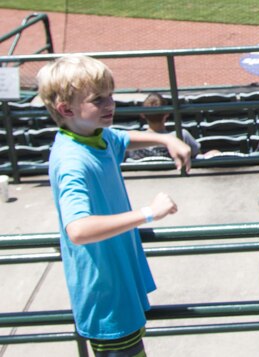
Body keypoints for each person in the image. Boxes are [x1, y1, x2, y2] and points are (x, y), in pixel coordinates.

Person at [40, 55, 190, 356]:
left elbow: (119, 139)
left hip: (118, 281)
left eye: (110, 95)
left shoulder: (92, 136)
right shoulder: (72, 162)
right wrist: (149, 213)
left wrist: (165, 140)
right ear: (66, 109)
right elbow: (79, 230)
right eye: (98, 100)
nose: (111, 104)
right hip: (106, 295)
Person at [127, 93, 201, 161]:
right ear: (167, 113)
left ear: (142, 114)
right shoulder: (182, 135)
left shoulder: (133, 140)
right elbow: (198, 156)